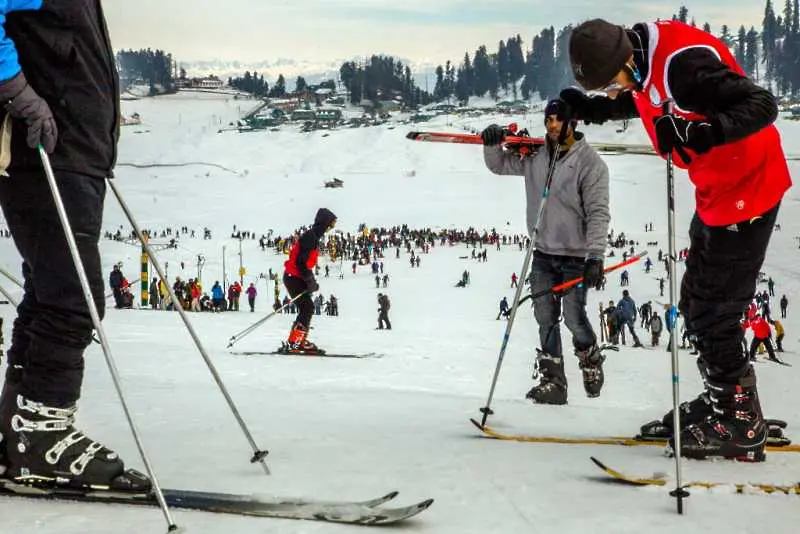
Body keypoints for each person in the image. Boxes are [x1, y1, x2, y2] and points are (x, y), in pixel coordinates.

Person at [565, 18, 791, 460]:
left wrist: (702, 133)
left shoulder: (683, 66)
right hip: (718, 193)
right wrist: (596, 110)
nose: (613, 91)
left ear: (626, 57)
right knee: (695, 303)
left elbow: (762, 104)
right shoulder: (644, 63)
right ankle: (724, 400)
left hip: (749, 189)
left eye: (611, 83)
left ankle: (740, 420)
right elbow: (646, 99)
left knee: (715, 312)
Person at [0, 1, 148, 490]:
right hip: (47, 150)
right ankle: (42, 434)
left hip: (72, 152)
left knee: (52, 293)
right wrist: (21, 96)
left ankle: (19, 430)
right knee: (74, 300)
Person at [482, 98, 610, 405]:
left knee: (574, 317)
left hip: (576, 255)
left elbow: (598, 212)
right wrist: (492, 144)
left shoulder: (591, 164)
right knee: (544, 316)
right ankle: (554, 380)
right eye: (548, 120)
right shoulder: (537, 156)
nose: (551, 125)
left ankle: (590, 361)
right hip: (542, 251)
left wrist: (595, 255)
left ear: (572, 122)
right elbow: (500, 165)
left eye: (557, 120)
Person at [283, 208, 337, 353]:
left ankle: (296, 341)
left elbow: (304, 263)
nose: (331, 228)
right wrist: (310, 282)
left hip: (294, 276)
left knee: (307, 307)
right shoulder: (310, 237)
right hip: (293, 277)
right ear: (324, 223)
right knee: (307, 307)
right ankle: (296, 343)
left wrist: (310, 282)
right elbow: (300, 263)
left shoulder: (312, 236)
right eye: (331, 225)